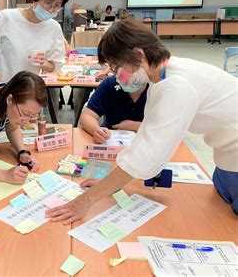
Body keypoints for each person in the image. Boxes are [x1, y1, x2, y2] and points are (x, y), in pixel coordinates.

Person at [47, 18, 238, 223]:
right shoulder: (163, 78)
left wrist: (85, 201)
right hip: (226, 153)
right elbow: (143, 139)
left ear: (139, 55)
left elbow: (147, 156)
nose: (117, 75)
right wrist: (109, 182)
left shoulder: (177, 86)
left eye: (118, 67)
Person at [0, 0, 71, 120]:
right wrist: (1, 88)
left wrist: (43, 63)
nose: (51, 10)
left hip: (27, 98)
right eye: (48, 3)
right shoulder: (6, 18)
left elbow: (55, 64)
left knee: (22, 139)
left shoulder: (53, 28)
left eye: (57, 6)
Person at [79, 74, 148, 143]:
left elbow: (158, 128)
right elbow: (87, 115)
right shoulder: (110, 84)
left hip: (148, 142)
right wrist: (96, 130)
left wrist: (135, 126)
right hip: (110, 138)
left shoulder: (155, 87)